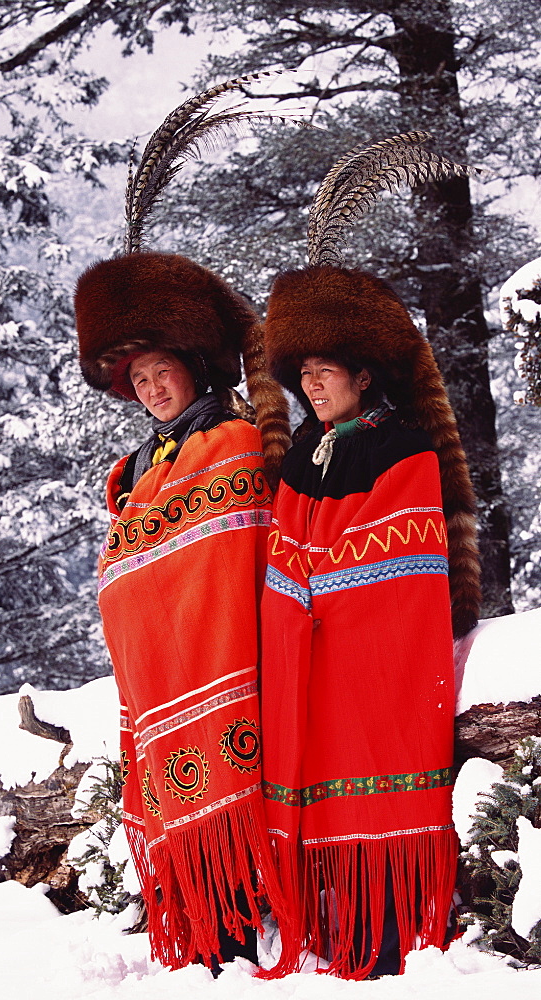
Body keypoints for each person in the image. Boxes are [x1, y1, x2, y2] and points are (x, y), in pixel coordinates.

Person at [256, 136, 481, 980]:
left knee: (369, 780)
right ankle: (328, 926)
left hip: (368, 666)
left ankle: (385, 932)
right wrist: (295, 585)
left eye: (326, 372)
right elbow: (286, 552)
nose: (312, 386)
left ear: (362, 375)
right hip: (308, 664)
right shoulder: (302, 456)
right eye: (303, 373)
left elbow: (399, 566)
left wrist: (311, 582)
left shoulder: (403, 447)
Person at [75, 248, 290, 972]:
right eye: (137, 379)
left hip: (225, 665)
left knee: (230, 813)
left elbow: (228, 555)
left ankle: (238, 934)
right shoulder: (141, 468)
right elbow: (131, 564)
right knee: (184, 818)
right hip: (159, 685)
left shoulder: (229, 443)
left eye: (160, 370)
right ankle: (207, 936)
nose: (151, 387)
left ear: (195, 367)